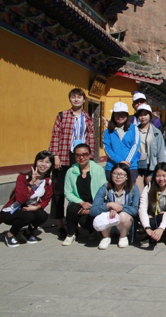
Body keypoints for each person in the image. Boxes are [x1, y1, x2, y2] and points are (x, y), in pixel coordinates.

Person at [48, 88, 95, 239]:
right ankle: (60, 225)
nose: (76, 100)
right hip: (64, 154)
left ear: (83, 100)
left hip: (81, 156)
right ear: (70, 99)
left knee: (81, 190)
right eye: (73, 97)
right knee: (59, 191)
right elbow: (56, 135)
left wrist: (91, 157)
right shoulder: (62, 115)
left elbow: (91, 138)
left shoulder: (87, 117)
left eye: (79, 97)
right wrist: (55, 155)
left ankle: (80, 221)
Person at [0, 151, 55, 247]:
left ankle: (27, 233)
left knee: (43, 215)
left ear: (51, 165)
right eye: (40, 161)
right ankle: (11, 234)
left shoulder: (48, 181)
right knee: (29, 216)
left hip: (29, 209)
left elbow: (46, 200)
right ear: (35, 162)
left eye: (47, 162)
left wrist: (37, 207)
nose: (43, 164)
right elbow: (20, 199)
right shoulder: (23, 177)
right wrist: (30, 184)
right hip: (11, 211)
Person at [62, 144, 108, 246]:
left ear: (89, 155)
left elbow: (103, 189)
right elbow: (68, 192)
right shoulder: (71, 172)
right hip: (78, 202)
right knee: (71, 209)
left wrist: (92, 206)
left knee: (86, 222)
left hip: (93, 203)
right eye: (78, 155)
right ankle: (70, 234)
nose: (81, 157)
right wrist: (81, 203)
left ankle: (92, 231)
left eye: (84, 154)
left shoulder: (98, 170)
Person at [90, 163, 140, 249]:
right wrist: (109, 205)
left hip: (125, 224)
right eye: (115, 174)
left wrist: (119, 208)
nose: (118, 177)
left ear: (127, 177)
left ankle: (123, 237)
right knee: (102, 215)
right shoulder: (105, 188)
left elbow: (135, 210)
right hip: (108, 224)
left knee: (123, 215)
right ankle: (106, 237)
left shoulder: (133, 188)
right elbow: (93, 210)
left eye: (121, 174)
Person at [138, 163, 166, 249]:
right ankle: (151, 235)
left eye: (164, 176)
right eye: (158, 176)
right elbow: (142, 209)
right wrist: (147, 228)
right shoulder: (148, 188)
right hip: (152, 218)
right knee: (148, 217)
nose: (161, 179)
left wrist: (161, 228)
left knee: (164, 215)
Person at [103, 101, 140, 183]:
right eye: (117, 114)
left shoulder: (134, 129)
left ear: (127, 115)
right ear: (113, 115)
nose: (120, 116)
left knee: (129, 192)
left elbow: (135, 145)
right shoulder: (107, 131)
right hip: (112, 166)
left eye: (123, 114)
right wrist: (119, 161)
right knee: (112, 192)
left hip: (130, 166)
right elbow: (107, 148)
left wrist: (126, 162)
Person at [135, 104, 166, 191]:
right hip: (138, 165)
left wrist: (161, 168)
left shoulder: (156, 132)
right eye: (140, 115)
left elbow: (160, 151)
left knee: (151, 192)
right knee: (139, 193)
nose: (143, 117)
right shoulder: (133, 131)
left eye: (145, 114)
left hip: (152, 165)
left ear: (150, 116)